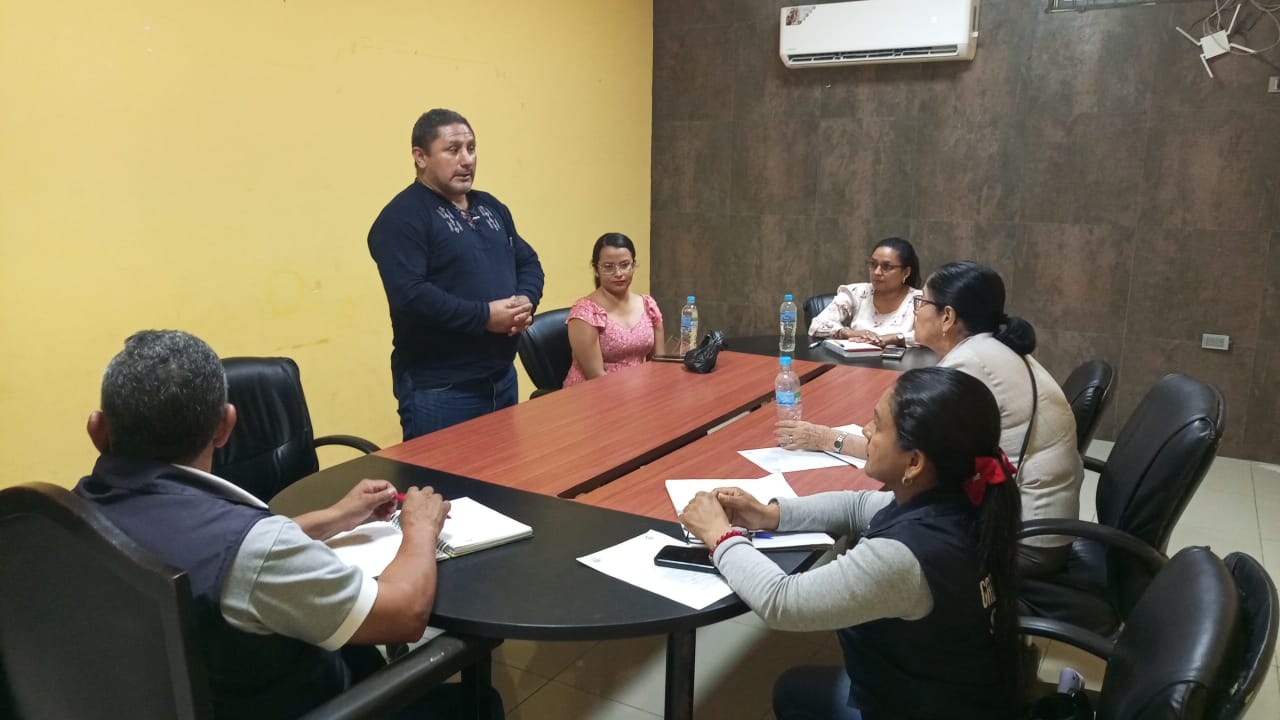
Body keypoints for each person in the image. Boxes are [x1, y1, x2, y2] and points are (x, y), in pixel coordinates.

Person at [74, 330, 488, 719]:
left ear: (97, 429)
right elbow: (404, 614)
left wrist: (337, 516)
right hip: (312, 705)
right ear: (225, 426)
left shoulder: (70, 513)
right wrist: (420, 527)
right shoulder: (252, 547)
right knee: (479, 702)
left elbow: (232, 558)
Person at [681, 367, 1022, 720]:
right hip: (961, 691)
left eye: (878, 424)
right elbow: (856, 506)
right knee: (796, 688)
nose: (865, 431)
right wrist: (769, 515)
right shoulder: (962, 496)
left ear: (914, 463)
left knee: (792, 692)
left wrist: (720, 536)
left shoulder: (905, 556)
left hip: (924, 706)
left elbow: (782, 602)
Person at [781, 261, 1081, 576]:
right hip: (1034, 521)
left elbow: (908, 456)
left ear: (947, 317)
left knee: (884, 514)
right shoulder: (988, 349)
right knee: (871, 507)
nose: (915, 311)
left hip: (1022, 542)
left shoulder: (969, 366)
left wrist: (826, 438)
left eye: (921, 302)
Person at [368, 108, 545, 440]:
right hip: (442, 390)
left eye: (471, 148)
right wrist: (485, 317)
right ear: (420, 157)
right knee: (441, 476)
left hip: (502, 377)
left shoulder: (491, 207)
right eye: (453, 150)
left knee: (505, 472)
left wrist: (526, 300)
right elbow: (412, 296)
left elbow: (528, 262)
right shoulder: (401, 218)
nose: (466, 160)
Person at [563, 232, 664, 387]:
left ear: (633, 265)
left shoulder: (648, 305)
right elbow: (595, 377)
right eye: (608, 267)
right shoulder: (585, 312)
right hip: (593, 393)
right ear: (596, 269)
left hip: (640, 391)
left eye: (625, 265)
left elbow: (659, 364)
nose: (618, 273)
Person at [807, 236, 922, 346]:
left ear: (906, 272)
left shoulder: (920, 300)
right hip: (855, 359)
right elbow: (817, 325)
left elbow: (928, 336)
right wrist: (848, 333)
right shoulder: (856, 293)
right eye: (873, 264)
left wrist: (893, 339)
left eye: (887, 267)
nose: (877, 272)